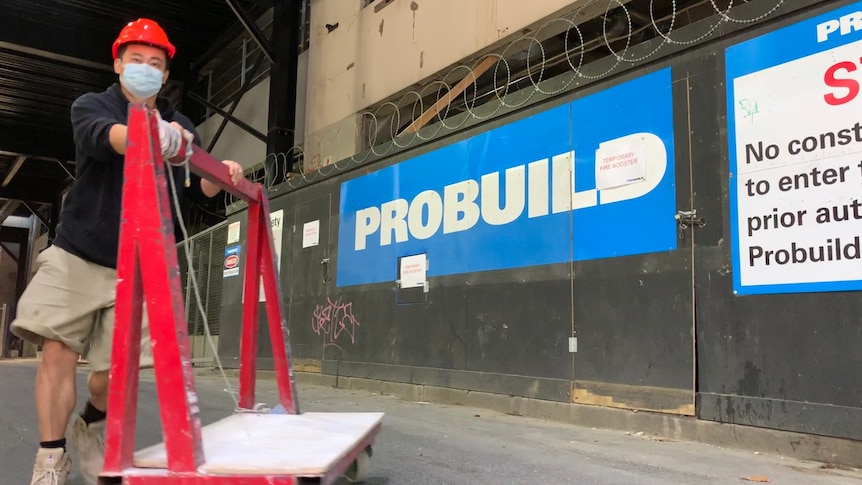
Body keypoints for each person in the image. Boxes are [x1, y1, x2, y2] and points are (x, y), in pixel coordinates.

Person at [10, 18, 246, 485]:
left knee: (114, 374)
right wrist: (146, 134)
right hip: (78, 251)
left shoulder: (181, 125)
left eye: (155, 64)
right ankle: (51, 456)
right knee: (57, 349)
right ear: (118, 64)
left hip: (139, 265)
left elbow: (197, 190)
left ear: (165, 74)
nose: (145, 69)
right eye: (136, 60)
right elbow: (104, 137)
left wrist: (223, 173)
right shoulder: (92, 106)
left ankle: (91, 424)